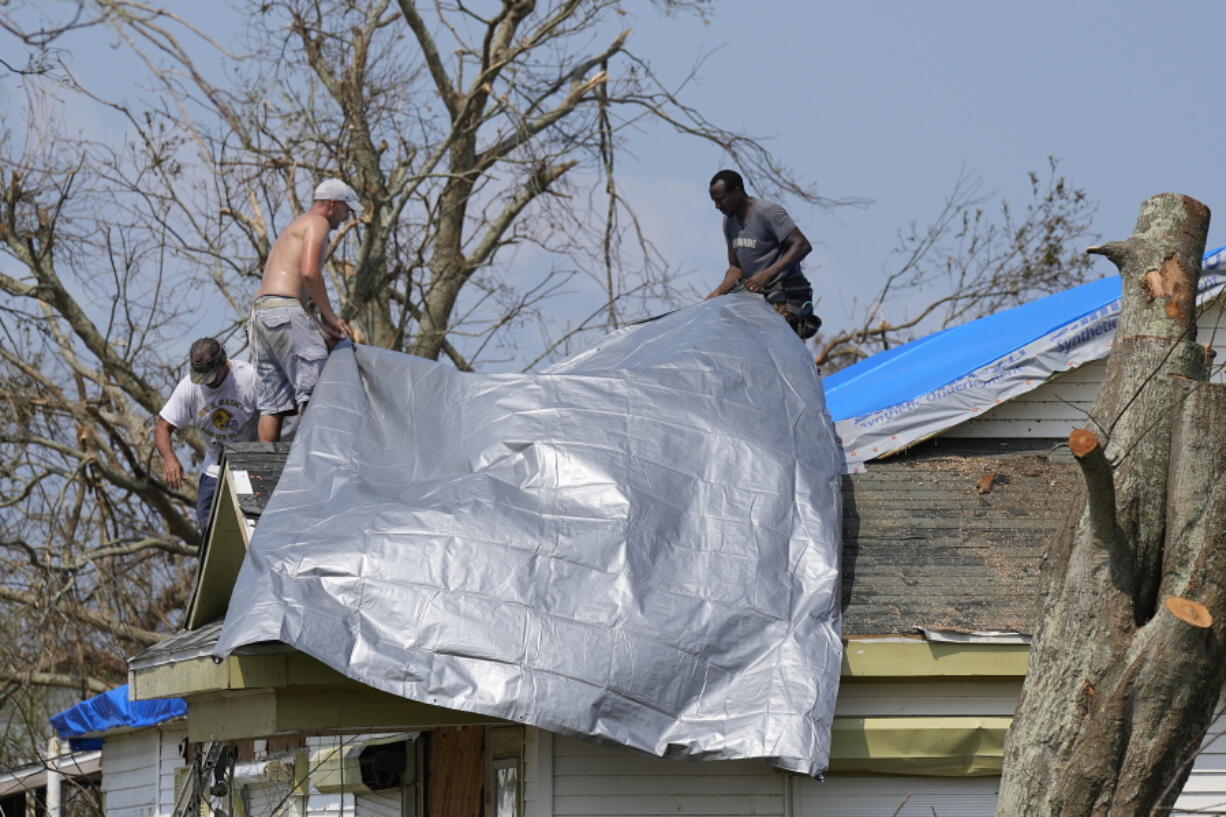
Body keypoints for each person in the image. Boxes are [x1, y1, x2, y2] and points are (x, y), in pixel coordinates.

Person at [251, 178, 361, 442]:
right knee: (314, 391)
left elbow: (290, 295)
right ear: (333, 204)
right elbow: (310, 273)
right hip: (285, 312)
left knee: (272, 404)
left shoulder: (295, 225)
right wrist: (331, 318)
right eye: (347, 210)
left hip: (262, 315)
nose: (346, 218)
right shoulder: (317, 223)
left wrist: (320, 328)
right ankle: (312, 461)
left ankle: (266, 469)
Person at [155, 337, 259, 534]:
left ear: (223, 362)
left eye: (210, 376)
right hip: (215, 468)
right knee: (209, 529)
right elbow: (162, 427)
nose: (206, 383)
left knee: (252, 527)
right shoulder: (189, 388)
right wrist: (169, 459)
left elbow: (274, 415)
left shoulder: (248, 377)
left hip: (251, 462)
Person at [706, 169, 821, 339]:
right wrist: (718, 292)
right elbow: (736, 267)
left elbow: (802, 245)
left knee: (776, 343)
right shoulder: (729, 222)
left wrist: (766, 274)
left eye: (720, 200)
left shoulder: (768, 212)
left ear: (737, 192)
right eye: (714, 202)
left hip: (784, 295)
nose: (717, 206)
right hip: (756, 300)